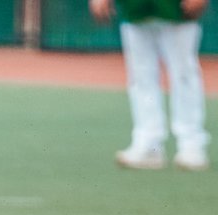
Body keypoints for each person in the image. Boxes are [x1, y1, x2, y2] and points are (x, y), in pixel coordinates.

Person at [90, 0, 210, 170]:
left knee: (184, 74)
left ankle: (191, 145)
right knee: (140, 76)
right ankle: (149, 145)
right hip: (136, 7)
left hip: (175, 8)